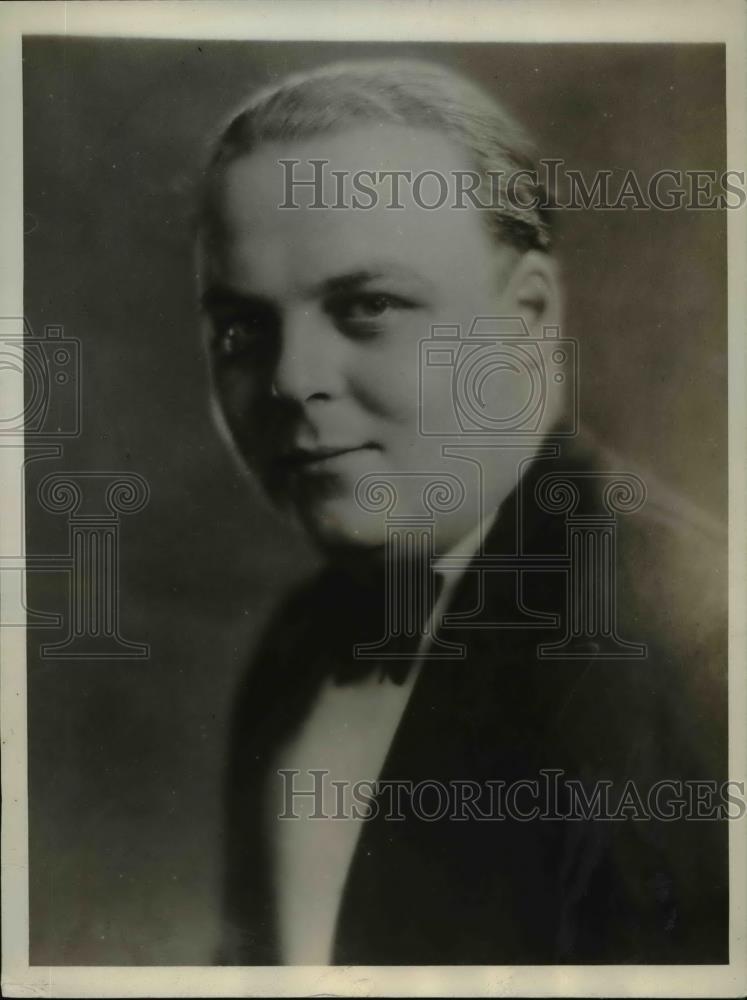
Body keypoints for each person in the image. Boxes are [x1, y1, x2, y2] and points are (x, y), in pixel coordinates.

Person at [196, 60, 728, 965]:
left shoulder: (687, 655)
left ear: (524, 321)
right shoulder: (296, 646)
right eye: (243, 328)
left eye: (366, 306)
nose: (290, 381)